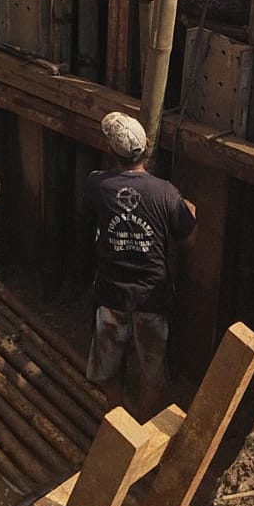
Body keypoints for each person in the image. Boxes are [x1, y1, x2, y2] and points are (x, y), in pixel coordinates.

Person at [86, 112, 196, 418]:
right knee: (153, 373)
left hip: (112, 294)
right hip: (152, 297)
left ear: (111, 152)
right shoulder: (166, 192)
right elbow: (188, 240)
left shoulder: (98, 185)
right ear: (145, 150)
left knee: (107, 369)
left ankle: (116, 419)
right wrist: (190, 212)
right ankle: (142, 430)